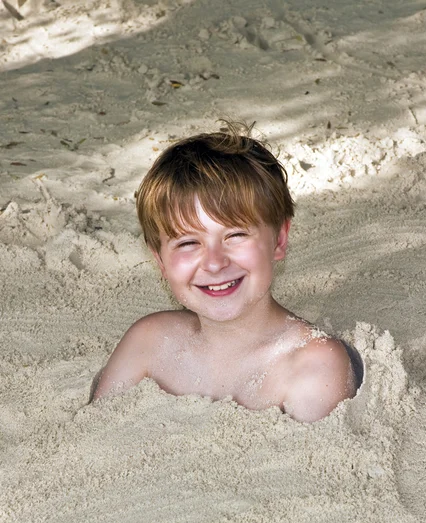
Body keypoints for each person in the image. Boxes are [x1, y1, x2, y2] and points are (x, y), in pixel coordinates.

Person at [92, 124, 357, 422]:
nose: (215, 263)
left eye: (235, 236)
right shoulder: (149, 343)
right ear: (161, 262)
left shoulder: (313, 366)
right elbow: (92, 434)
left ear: (279, 241)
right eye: (189, 242)